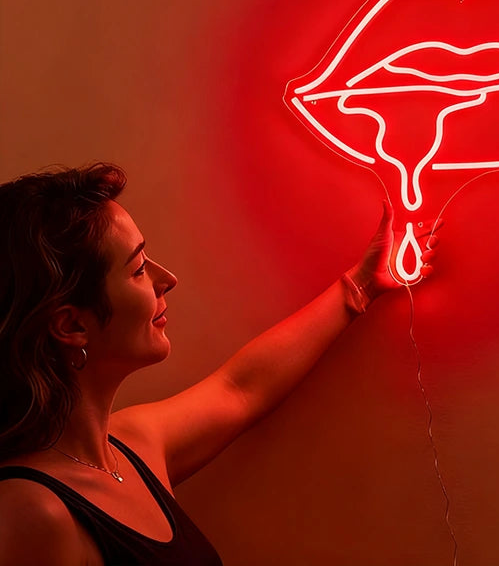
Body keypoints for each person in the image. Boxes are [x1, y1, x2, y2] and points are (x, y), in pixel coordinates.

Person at [0, 163, 440, 565]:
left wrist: (358, 287)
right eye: (137, 270)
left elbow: (241, 389)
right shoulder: (32, 512)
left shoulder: (131, 447)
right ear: (72, 324)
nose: (165, 279)